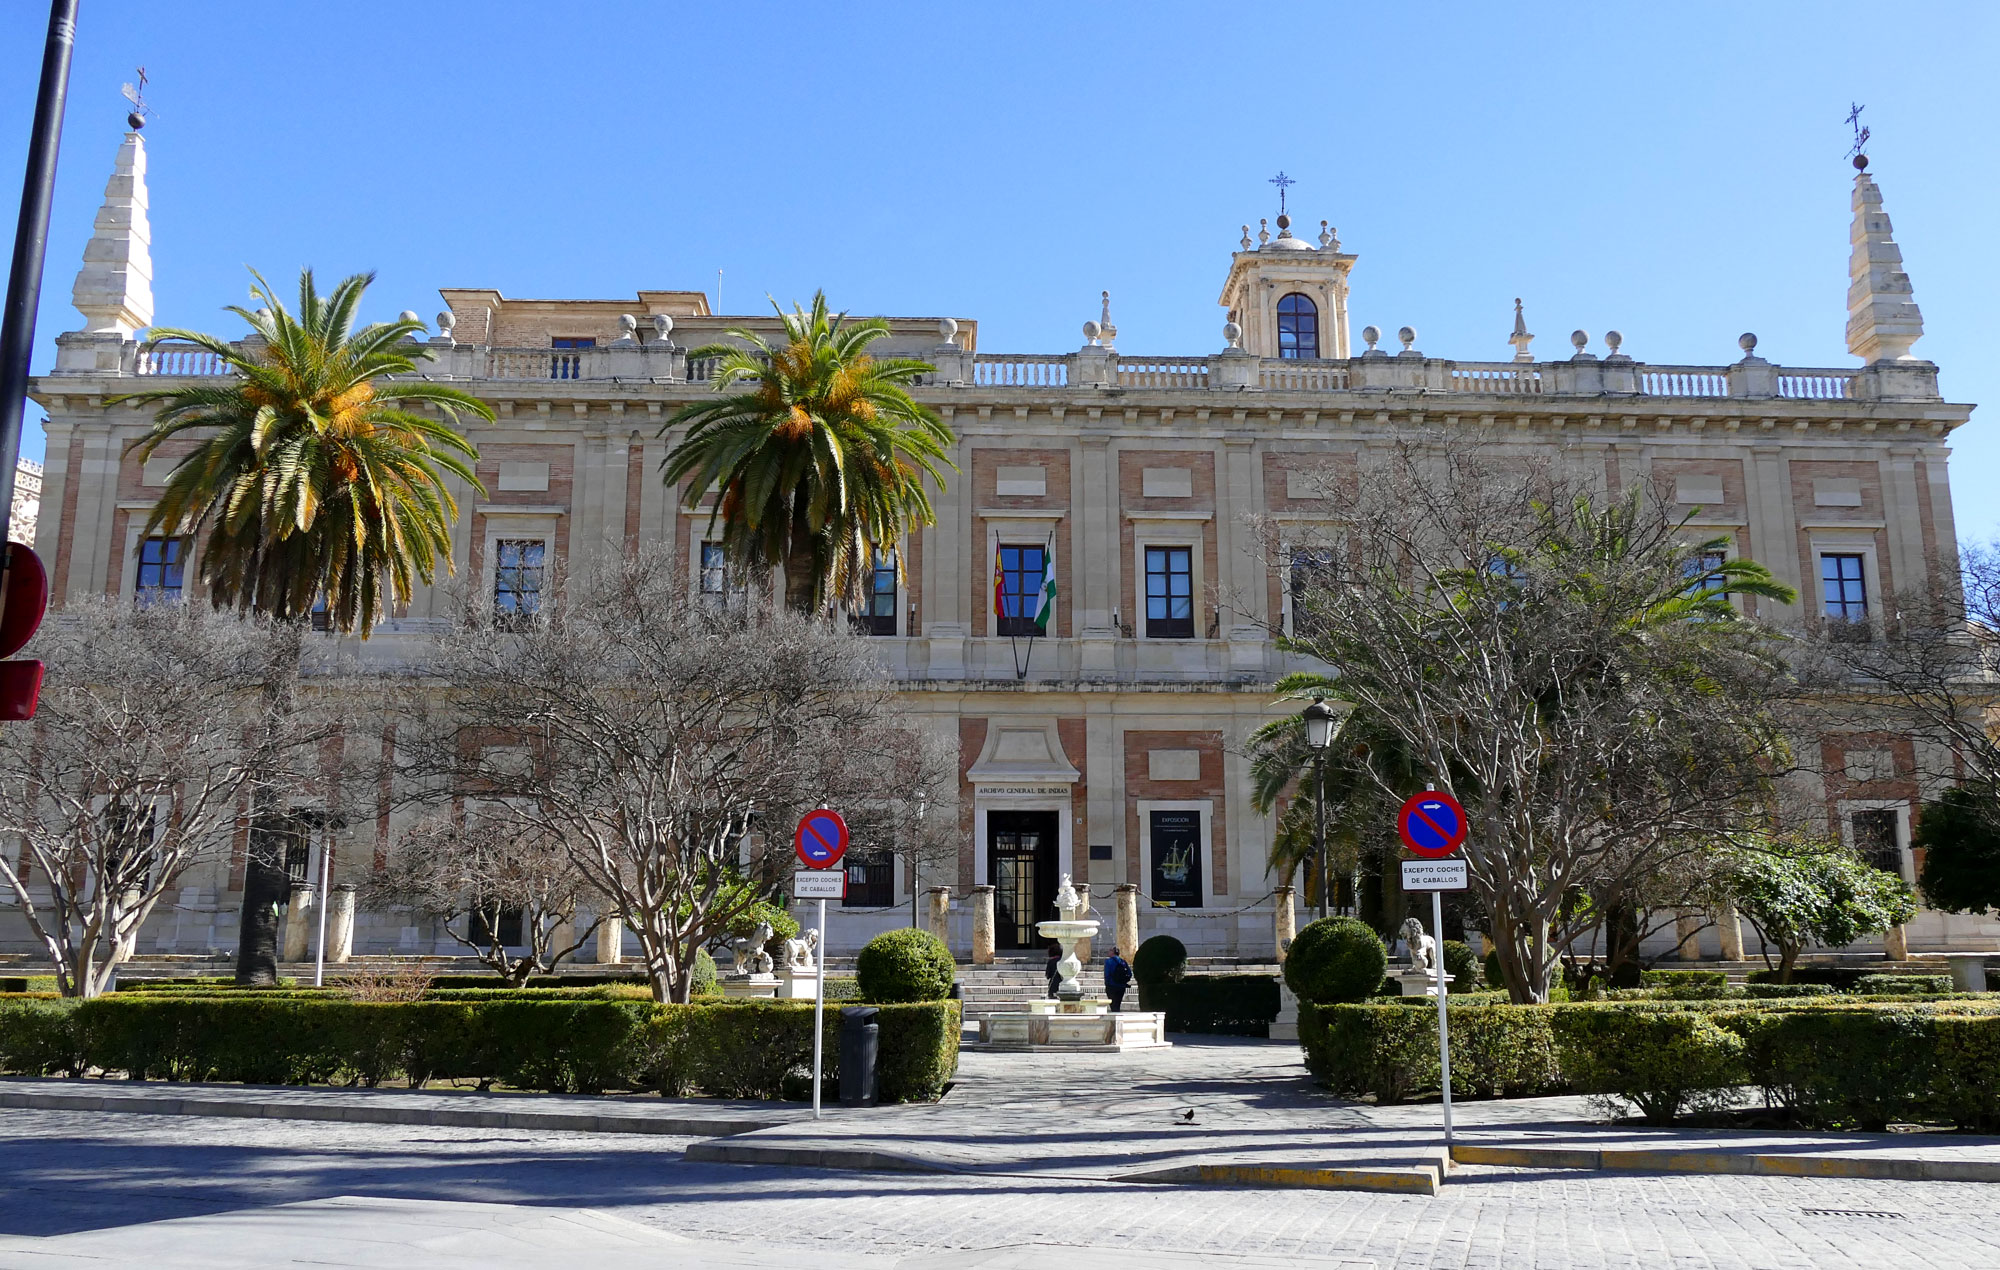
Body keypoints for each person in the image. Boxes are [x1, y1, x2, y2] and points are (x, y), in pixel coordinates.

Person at [1103, 947, 1132, 1013]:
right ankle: (1117, 1014)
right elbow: (1129, 974)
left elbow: (1107, 974)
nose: (1108, 952)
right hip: (1121, 986)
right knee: (1118, 1004)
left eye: (1110, 950)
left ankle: (1114, 1017)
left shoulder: (1108, 961)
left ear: (1113, 952)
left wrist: (1107, 983)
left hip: (1111, 986)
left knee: (1113, 1005)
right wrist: (1124, 981)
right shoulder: (1123, 961)